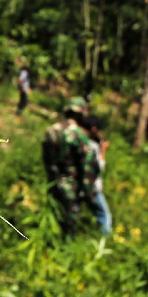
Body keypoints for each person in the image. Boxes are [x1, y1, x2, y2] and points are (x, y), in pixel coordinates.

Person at [41, 97, 94, 237]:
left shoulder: (52, 130)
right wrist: (87, 189)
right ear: (79, 114)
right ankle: (65, 248)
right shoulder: (78, 134)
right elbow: (86, 164)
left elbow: (46, 157)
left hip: (53, 180)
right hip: (71, 184)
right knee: (69, 219)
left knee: (53, 213)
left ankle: (49, 242)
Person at [79, 114, 112, 238]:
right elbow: (99, 167)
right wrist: (103, 150)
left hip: (76, 184)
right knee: (105, 215)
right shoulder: (92, 146)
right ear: (93, 129)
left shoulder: (79, 140)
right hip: (91, 186)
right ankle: (104, 241)